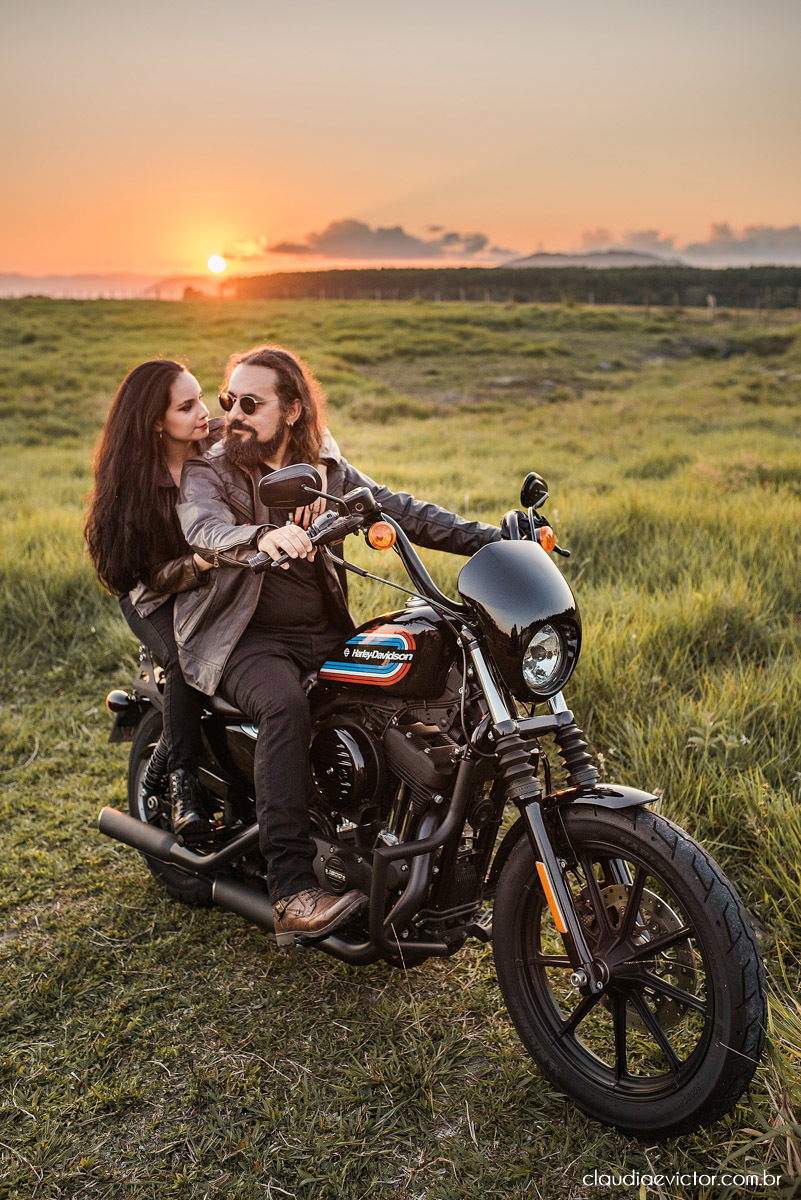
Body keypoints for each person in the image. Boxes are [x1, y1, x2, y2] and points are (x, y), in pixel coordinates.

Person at [175, 344, 501, 946]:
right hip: (242, 639)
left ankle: (389, 841)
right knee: (283, 706)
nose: (234, 415)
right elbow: (204, 527)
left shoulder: (323, 469)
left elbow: (400, 509)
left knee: (423, 663)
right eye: (228, 401)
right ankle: (292, 890)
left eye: (251, 402)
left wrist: (494, 539)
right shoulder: (210, 469)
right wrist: (262, 537)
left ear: (293, 410)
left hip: (322, 633)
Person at [85, 360, 216, 836]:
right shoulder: (134, 483)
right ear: (156, 421)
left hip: (212, 584)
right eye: (186, 407)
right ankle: (182, 779)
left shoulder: (218, 442)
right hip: (153, 593)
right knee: (189, 658)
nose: (203, 412)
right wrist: (201, 564)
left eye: (202, 397)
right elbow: (142, 574)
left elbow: (306, 440)